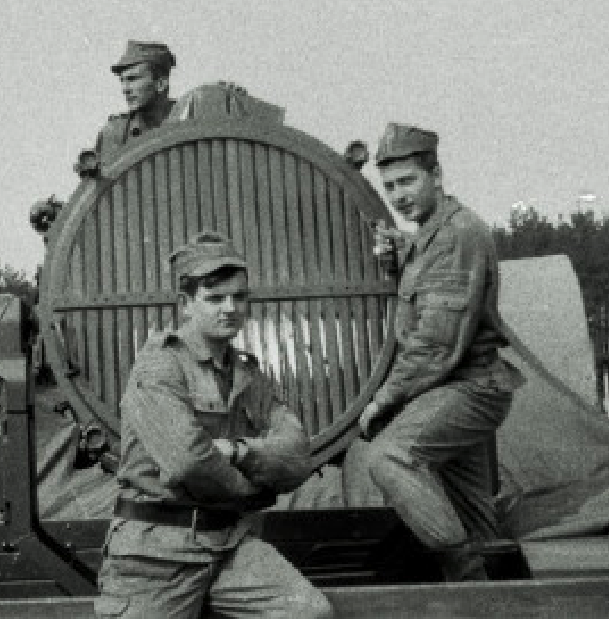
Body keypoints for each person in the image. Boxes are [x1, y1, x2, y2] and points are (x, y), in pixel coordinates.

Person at [93, 232, 331, 619]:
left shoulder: (247, 375)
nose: (230, 308)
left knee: (307, 613)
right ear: (186, 304)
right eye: (215, 298)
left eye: (239, 297)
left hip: (228, 544)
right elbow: (188, 460)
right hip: (157, 555)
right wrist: (252, 493)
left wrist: (240, 450)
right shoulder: (160, 367)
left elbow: (296, 450)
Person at [358, 122, 526, 582]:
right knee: (472, 519)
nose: (399, 195)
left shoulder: (455, 235)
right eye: (389, 186)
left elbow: (434, 345)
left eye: (408, 181)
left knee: (389, 456)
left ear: (437, 174)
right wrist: (399, 260)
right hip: (454, 388)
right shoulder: (433, 234)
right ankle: (492, 602)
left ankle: (466, 575)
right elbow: (428, 298)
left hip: (466, 388)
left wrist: (382, 399)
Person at [94, 40, 178, 162]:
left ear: (160, 83)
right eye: (122, 81)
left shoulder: (187, 119)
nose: (125, 89)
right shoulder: (115, 134)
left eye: (132, 79)